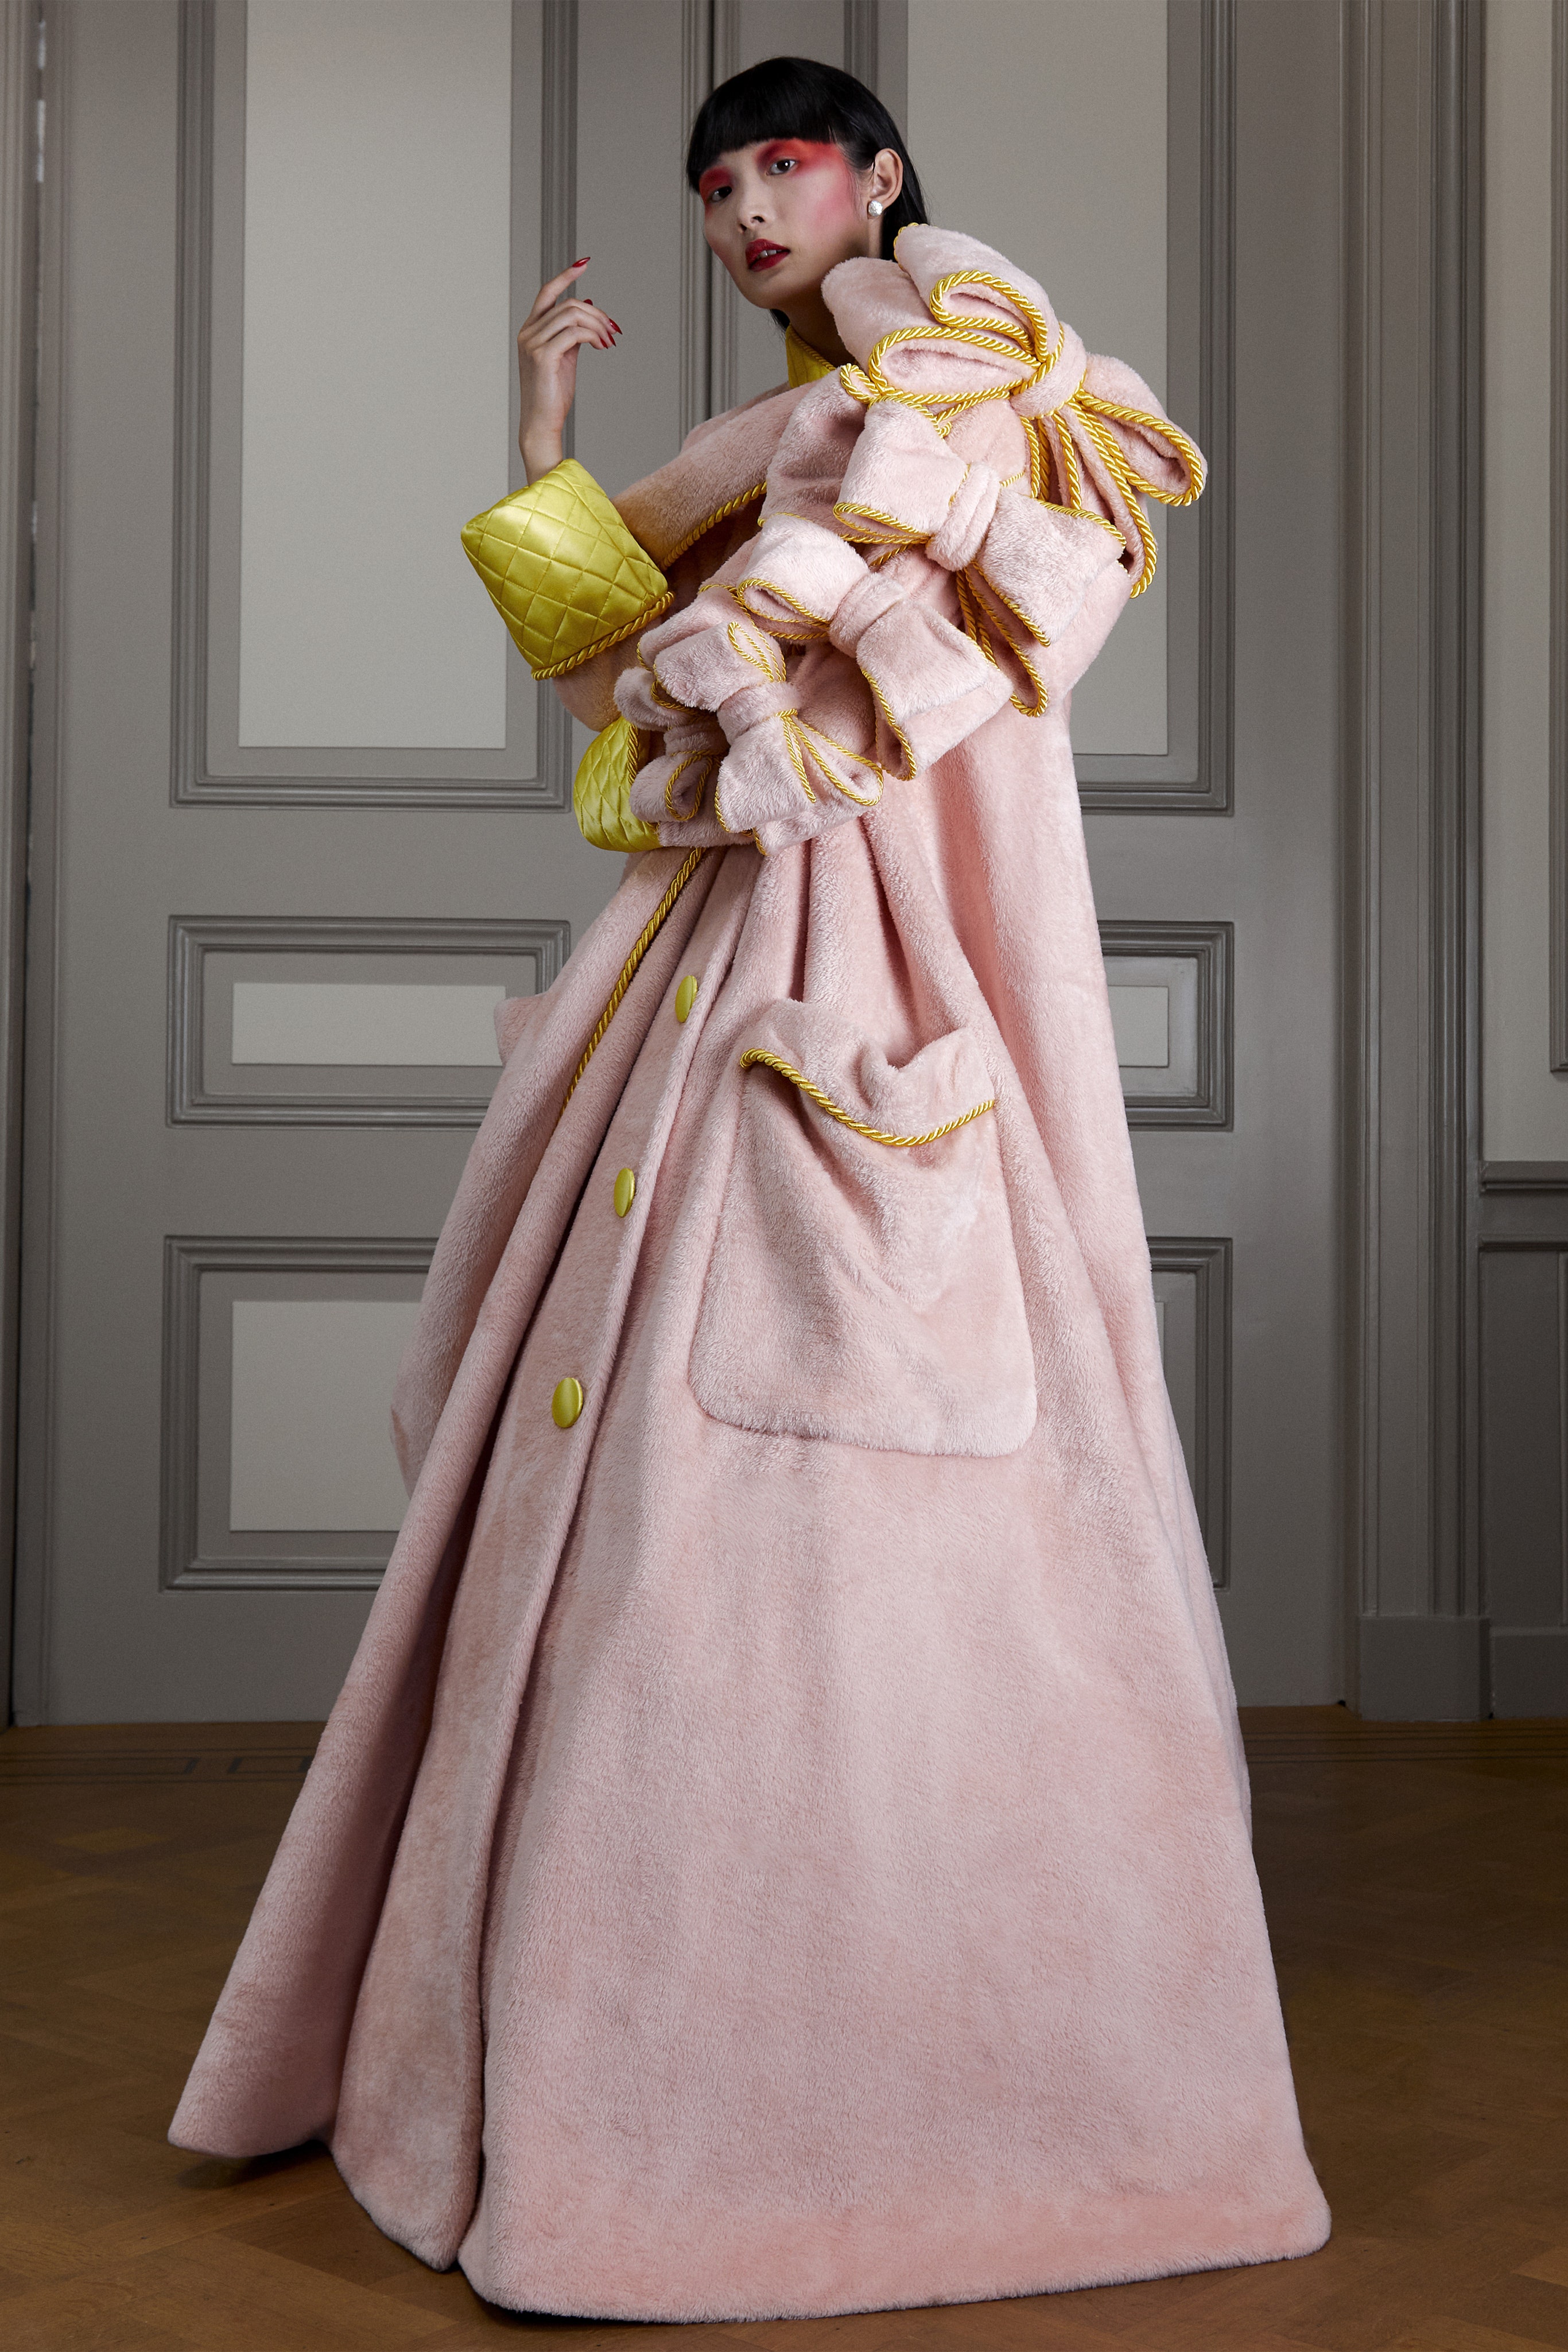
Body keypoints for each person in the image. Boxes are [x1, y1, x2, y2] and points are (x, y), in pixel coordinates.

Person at [172, 55, 1329, 2322]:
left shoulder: (975, 388)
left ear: (876, 173)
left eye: (780, 165)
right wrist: (540, 437)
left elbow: (834, 699)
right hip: (722, 984)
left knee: (811, 1536)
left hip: (877, 1003)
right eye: (715, 184)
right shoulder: (804, 430)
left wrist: (801, 514)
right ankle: (575, 2057)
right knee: (630, 1524)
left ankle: (840, 2086)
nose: (740, 210)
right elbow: (635, 694)